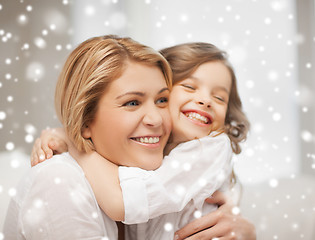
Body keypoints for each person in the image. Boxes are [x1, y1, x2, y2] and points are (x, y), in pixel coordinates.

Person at [30, 41, 256, 239]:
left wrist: (73, 140)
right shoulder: (61, 179)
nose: (206, 101)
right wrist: (75, 134)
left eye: (219, 98)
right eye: (189, 86)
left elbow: (121, 203)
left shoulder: (210, 148)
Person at [3, 35, 173, 239]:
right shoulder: (59, 180)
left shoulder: (147, 180)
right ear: (85, 120)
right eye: (132, 103)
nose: (156, 119)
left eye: (162, 100)